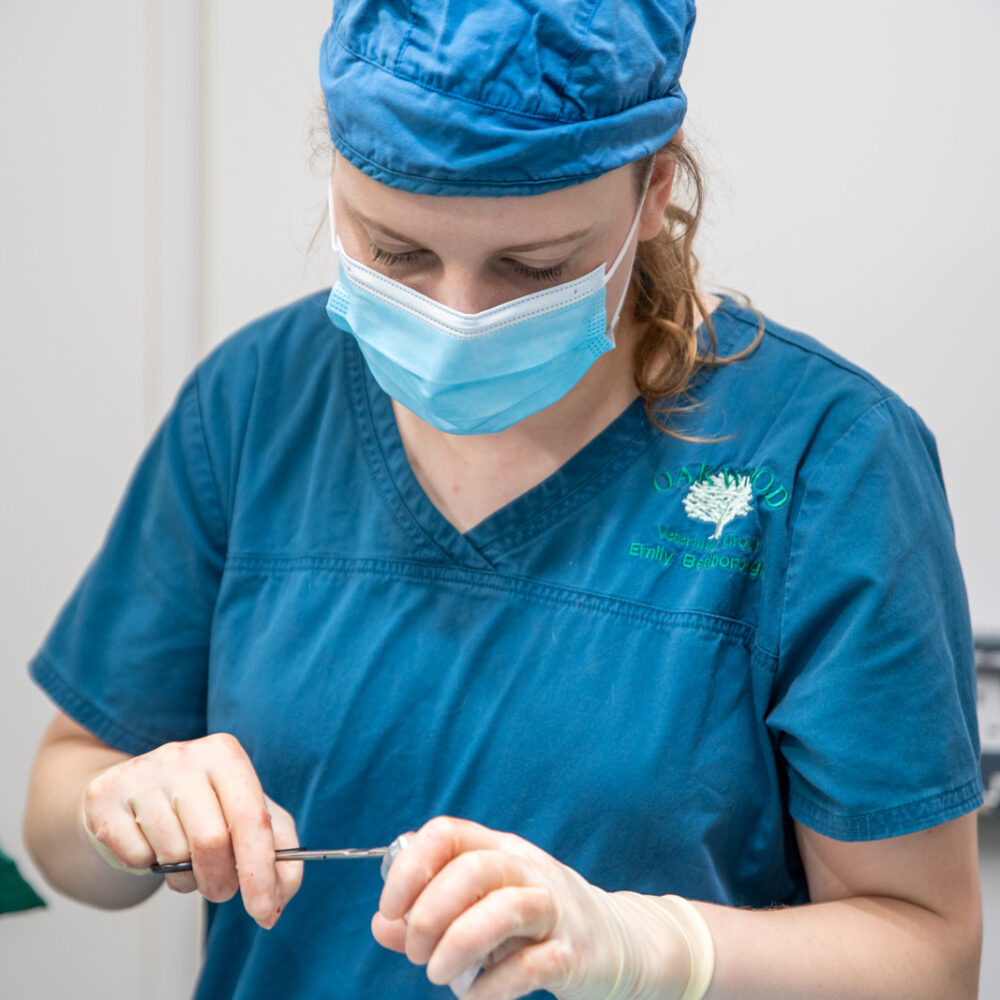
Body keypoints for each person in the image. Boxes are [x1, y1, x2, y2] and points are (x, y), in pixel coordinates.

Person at [22, 2, 983, 998]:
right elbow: (60, 814)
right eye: (396, 252)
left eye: (534, 269)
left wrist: (652, 949)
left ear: (653, 186)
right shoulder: (256, 401)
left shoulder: (826, 458)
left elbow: (927, 952)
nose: (456, 319)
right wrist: (123, 812)